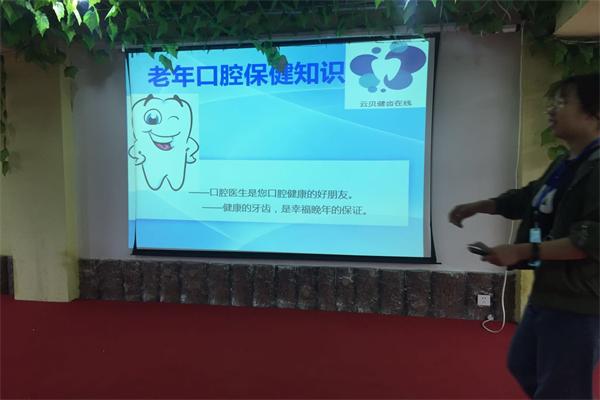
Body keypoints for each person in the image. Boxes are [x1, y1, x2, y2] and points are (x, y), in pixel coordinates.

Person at [448, 73, 599, 399]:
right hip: (549, 291)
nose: (552, 109)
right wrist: (480, 206)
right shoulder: (566, 163)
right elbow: (529, 197)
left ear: (593, 114)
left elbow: (589, 240)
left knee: (561, 389)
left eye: (563, 101)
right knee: (524, 364)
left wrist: (520, 251)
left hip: (580, 300)